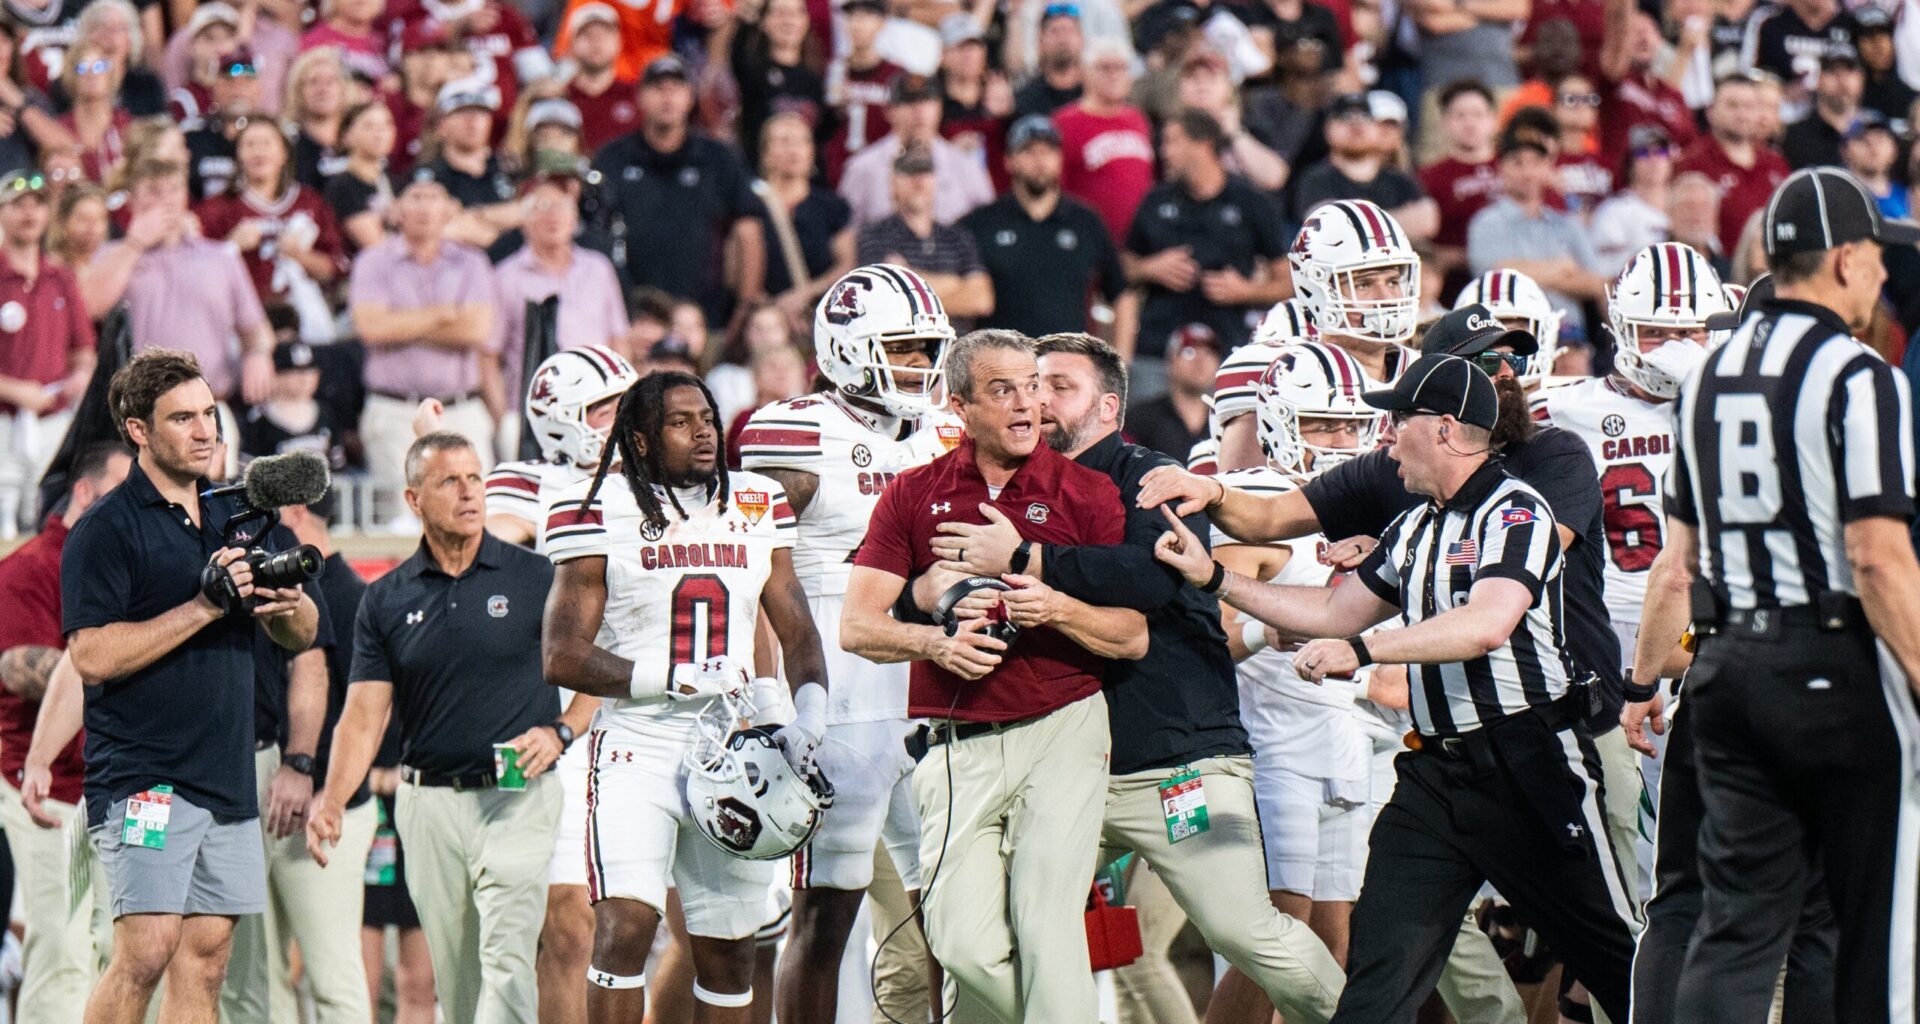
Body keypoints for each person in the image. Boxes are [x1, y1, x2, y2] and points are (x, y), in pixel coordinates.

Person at [1152, 350, 1639, 1022]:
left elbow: (1486, 624)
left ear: (1445, 428)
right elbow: (1334, 610)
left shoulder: (1517, 510)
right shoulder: (1414, 525)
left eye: (1399, 420)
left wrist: (1361, 650)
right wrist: (1215, 578)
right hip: (1437, 774)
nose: (1385, 438)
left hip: (1533, 761)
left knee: (1617, 958)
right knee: (1377, 977)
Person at [926, 332, 1349, 1024]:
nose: (1037, 400)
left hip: (1175, 758)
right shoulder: (1011, 487)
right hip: (1064, 766)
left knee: (1245, 929)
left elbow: (1151, 578)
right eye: (1030, 385)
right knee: (991, 935)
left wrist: (1026, 556)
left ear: (1108, 407)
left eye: (1059, 386)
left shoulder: (1149, 475)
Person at [1651, 165, 1920, 1023]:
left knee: (1735, 930)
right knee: (1865, 928)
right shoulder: (1858, 374)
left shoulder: (1705, 375)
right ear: (1844, 259)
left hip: (1726, 667)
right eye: (1876, 253)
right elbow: (1877, 558)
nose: (1884, 271)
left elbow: (1680, 557)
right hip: (1832, 664)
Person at [841, 329, 1147, 1023]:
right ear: (960, 407)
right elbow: (857, 626)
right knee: (961, 944)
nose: (1025, 404)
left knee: (1046, 929)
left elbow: (1131, 636)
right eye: (1001, 390)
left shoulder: (1089, 492)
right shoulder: (912, 493)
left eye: (1032, 387)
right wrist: (936, 642)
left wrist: (1057, 605)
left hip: (1064, 725)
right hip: (958, 741)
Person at [540, 370, 830, 1023]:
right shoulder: (597, 507)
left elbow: (796, 626)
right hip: (638, 744)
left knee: (730, 951)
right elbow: (561, 655)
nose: (703, 432)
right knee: (625, 927)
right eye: (680, 421)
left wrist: (806, 716)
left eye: (707, 418)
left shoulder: (756, 500)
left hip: (734, 747)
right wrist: (669, 677)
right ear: (640, 439)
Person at [61, 349, 319, 1024]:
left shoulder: (237, 515)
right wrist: (203, 607)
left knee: (206, 961)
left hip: (228, 777)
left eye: (209, 414)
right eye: (183, 418)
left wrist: (290, 609)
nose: (205, 430)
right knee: (145, 950)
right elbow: (91, 655)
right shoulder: (105, 529)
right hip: (145, 779)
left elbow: (305, 633)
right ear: (138, 430)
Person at [306, 431, 592, 1024]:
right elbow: (363, 716)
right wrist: (332, 800)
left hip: (518, 796)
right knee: (459, 981)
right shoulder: (386, 598)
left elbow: (596, 664)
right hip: (429, 805)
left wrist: (562, 731)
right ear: (414, 500)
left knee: (508, 957)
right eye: (450, 481)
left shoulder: (535, 576)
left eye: (475, 478)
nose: (469, 493)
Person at [736, 264, 956, 1024]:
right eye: (902, 349)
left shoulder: (944, 432)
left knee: (951, 916)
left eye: (927, 349)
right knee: (825, 920)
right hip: (838, 694)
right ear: (847, 349)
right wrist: (771, 700)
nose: (919, 366)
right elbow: (754, 575)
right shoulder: (796, 432)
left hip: (929, 686)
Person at [1202, 341, 1378, 972]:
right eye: (1322, 424)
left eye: (1351, 425)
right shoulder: (1258, 503)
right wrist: (1262, 633)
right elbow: (1202, 645)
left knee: (1334, 940)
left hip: (1343, 738)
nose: (1339, 441)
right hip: (1269, 750)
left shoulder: (1374, 501)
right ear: (1279, 422)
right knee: (1275, 945)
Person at [0, 442, 129, 1024]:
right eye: (121, 490)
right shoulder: (29, 569)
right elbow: (15, 666)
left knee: (124, 951)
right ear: (84, 491)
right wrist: (126, 667)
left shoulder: (130, 565)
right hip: (50, 788)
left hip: (121, 787)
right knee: (62, 954)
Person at [348, 168, 499, 513]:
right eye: (415, 197)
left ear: (449, 208)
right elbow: (372, 328)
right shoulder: (373, 261)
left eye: (433, 197)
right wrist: (444, 313)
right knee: (401, 519)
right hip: (394, 410)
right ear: (397, 208)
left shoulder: (472, 261)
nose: (425, 207)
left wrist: (400, 323)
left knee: (475, 514)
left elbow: (475, 330)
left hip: (462, 408)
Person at [82, 158, 275, 407]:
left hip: (212, 402)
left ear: (185, 196)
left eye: (174, 189)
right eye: (153, 191)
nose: (166, 199)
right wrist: (134, 244)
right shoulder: (112, 255)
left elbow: (256, 329)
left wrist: (258, 354)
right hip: (141, 407)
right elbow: (90, 307)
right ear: (132, 200)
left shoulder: (220, 257)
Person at [593, 55, 766, 329]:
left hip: (707, 319)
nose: (667, 97)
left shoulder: (719, 158)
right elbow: (592, 233)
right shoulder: (612, 158)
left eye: (676, 88)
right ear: (640, 97)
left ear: (690, 97)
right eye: (658, 88)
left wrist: (745, 307)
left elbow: (749, 231)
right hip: (631, 320)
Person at [1125, 108, 1289, 392]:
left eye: (1172, 141)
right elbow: (1122, 266)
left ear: (1204, 144)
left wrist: (1247, 291)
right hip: (1157, 351)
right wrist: (1150, 268)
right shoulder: (1156, 200)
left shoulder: (1251, 202)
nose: (1164, 152)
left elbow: (1289, 283)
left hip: (1227, 352)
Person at [960, 115, 1125, 337]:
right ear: (1008, 160)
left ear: (1060, 159)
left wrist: (1122, 353)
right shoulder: (980, 223)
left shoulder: (1086, 221)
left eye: (1048, 151)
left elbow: (1121, 291)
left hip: (1068, 354)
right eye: (1029, 151)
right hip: (1001, 355)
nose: (1040, 160)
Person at [0, 170, 96, 539]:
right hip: (5, 420)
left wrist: (80, 376)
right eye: (18, 205)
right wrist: (15, 391)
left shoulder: (60, 277)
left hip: (53, 419)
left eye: (37, 205)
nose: (29, 213)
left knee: (46, 519)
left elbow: (83, 347)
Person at [490, 162, 630, 408]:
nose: (553, 216)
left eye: (563, 206)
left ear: (575, 218)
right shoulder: (505, 276)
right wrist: (503, 417)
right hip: (531, 409)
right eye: (542, 207)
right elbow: (489, 354)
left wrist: (621, 402)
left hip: (597, 406)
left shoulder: (598, 268)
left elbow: (619, 340)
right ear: (525, 220)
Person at [194, 117, 349, 334]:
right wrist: (230, 246)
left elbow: (334, 268)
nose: (259, 152)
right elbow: (195, 273)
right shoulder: (216, 209)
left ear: (284, 153)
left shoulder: (310, 203)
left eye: (266, 143)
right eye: (250, 144)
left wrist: (299, 256)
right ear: (237, 155)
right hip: (241, 320)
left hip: (303, 317)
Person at [1467, 133, 1610, 336]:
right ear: (1501, 168)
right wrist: (1563, 267)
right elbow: (1494, 277)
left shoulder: (1567, 224)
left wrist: (1527, 272)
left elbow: (1595, 284)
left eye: (1536, 163)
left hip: (1569, 333)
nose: (1528, 173)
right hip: (1511, 332)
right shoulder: (1486, 222)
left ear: (1548, 167)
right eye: (1517, 163)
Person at [854, 146, 995, 325]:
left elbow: (981, 301)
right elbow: (884, 299)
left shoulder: (958, 237)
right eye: (908, 173)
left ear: (936, 181)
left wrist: (910, 279)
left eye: (925, 172)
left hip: (956, 342)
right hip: (904, 341)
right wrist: (955, 283)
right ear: (892, 184)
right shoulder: (875, 235)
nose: (918, 181)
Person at [839, 75, 995, 231]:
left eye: (927, 100)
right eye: (909, 102)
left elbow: (987, 223)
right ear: (889, 111)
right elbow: (845, 232)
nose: (919, 111)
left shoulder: (964, 164)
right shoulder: (864, 167)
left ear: (939, 107)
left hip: (951, 246)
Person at [752, 113, 856, 328]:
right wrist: (769, 305)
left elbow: (847, 263)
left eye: (802, 141)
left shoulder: (831, 206)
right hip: (766, 321)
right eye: (784, 141)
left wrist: (804, 294)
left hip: (818, 318)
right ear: (765, 153)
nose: (794, 150)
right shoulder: (751, 205)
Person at [1675, 73, 1791, 259]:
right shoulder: (1693, 163)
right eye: (1732, 105)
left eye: (1749, 106)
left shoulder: (1776, 164)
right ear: (1710, 112)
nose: (1742, 114)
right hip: (1715, 268)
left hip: (1770, 268)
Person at [1293, 93, 1437, 241]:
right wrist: (1400, 220)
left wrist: (1353, 223)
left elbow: (1426, 222)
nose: (1356, 124)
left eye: (1365, 117)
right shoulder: (1315, 179)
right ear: (1328, 129)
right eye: (1345, 117)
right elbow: (1328, 228)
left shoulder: (1399, 180)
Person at [1054, 38, 1155, 246]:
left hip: (1139, 244)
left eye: (1121, 68)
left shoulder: (1138, 119)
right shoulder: (1065, 123)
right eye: (1105, 68)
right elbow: (1055, 189)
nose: (1114, 75)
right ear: (1085, 73)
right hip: (1087, 242)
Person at [1419, 79, 1503, 278]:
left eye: (1478, 114)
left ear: (1493, 120)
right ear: (1444, 122)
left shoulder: (1516, 168)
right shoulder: (1428, 177)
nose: (1469, 123)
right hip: (1456, 280)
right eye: (1460, 116)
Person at [820, 0, 902, 183]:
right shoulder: (832, 72)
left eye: (865, 16)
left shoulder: (897, 76)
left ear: (882, 23)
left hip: (882, 174)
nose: (857, 24)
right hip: (836, 172)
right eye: (851, 16)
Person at [1590, 124, 1677, 275]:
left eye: (1661, 152)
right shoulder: (1614, 211)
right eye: (1643, 153)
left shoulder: (1686, 205)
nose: (1654, 160)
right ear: (1630, 162)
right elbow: (1608, 270)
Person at [1126, 324, 1220, 461]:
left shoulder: (1225, 421)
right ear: (1170, 362)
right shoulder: (1141, 419)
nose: (1201, 361)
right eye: (1189, 352)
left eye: (1209, 353)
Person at [561, 3, 642, 154]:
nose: (596, 43)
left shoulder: (637, 96)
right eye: (588, 35)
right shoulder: (561, 97)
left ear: (619, 41)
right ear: (571, 43)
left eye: (604, 35)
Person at [323, 101, 397, 257]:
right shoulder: (342, 186)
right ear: (346, 136)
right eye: (369, 126)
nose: (379, 133)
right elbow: (376, 247)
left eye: (386, 124)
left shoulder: (394, 180)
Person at [1781, 43, 1864, 170]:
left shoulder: (1874, 136)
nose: (1842, 79)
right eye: (1832, 71)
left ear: (1861, 79)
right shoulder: (1794, 137)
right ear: (1819, 79)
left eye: (1849, 70)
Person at [1012, 2, 1085, 119]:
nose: (1062, 38)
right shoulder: (1025, 100)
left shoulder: (1097, 95)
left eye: (1069, 31)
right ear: (1040, 41)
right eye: (1055, 31)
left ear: (1082, 39)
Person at [1850, 6, 1912, 119]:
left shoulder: (1912, 99)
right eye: (1869, 36)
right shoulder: (1850, 97)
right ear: (1856, 45)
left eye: (1884, 34)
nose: (1879, 45)